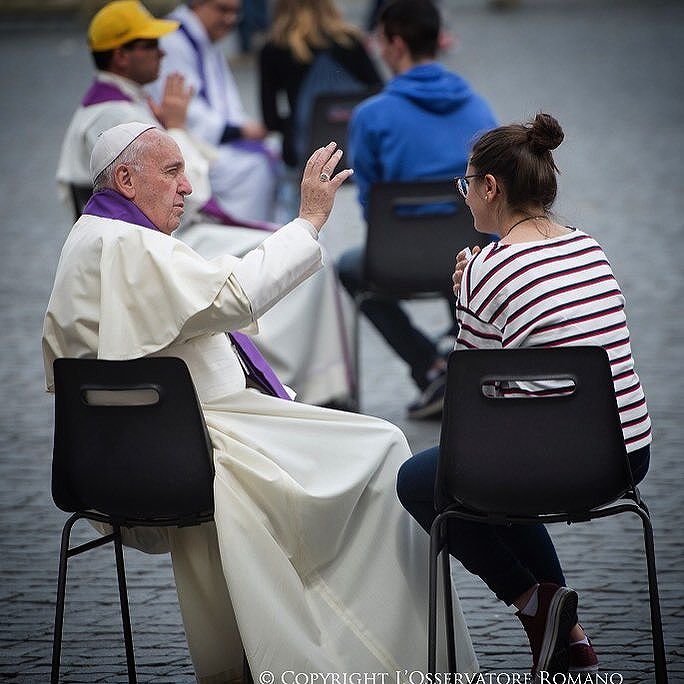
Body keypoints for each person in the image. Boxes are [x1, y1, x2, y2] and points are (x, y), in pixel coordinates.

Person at [43, 123, 478, 682]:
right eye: (172, 172)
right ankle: (392, 658)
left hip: (115, 458)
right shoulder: (129, 245)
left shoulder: (90, 239)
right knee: (386, 447)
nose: (188, 188)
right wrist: (309, 222)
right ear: (125, 179)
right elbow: (235, 294)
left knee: (362, 445)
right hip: (197, 447)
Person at [397, 113, 652, 676]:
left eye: (467, 185)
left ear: (491, 187)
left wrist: (466, 292)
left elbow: (470, 399)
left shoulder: (490, 267)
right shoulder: (591, 247)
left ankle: (534, 607)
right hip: (625, 456)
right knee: (504, 464)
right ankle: (570, 639)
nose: (464, 198)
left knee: (422, 480)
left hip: (549, 462)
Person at [56, 0, 355, 407]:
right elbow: (193, 195)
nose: (163, 53)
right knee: (308, 267)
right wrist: (306, 222)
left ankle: (306, 387)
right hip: (167, 243)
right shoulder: (115, 118)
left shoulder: (115, 109)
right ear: (121, 54)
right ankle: (313, 388)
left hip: (150, 247)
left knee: (297, 256)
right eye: (150, 46)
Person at [339, 0, 497, 419]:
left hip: (397, 259)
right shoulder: (479, 108)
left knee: (348, 268)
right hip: (473, 259)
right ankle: (458, 360)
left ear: (395, 43)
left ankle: (429, 366)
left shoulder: (371, 115)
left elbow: (370, 201)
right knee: (463, 243)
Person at [150, 0, 277, 223]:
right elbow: (186, 110)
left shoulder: (206, 37)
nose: (230, 19)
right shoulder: (172, 40)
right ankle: (245, 236)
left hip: (213, 140)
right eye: (222, 9)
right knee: (257, 167)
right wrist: (239, 131)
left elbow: (226, 101)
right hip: (191, 144)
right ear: (197, 3)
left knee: (276, 154)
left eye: (235, 12)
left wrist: (243, 128)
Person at [259, 0, 382, 171]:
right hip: (357, 146)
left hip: (305, 153)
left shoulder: (274, 48)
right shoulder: (351, 41)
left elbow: (270, 120)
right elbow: (379, 93)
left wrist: (295, 122)